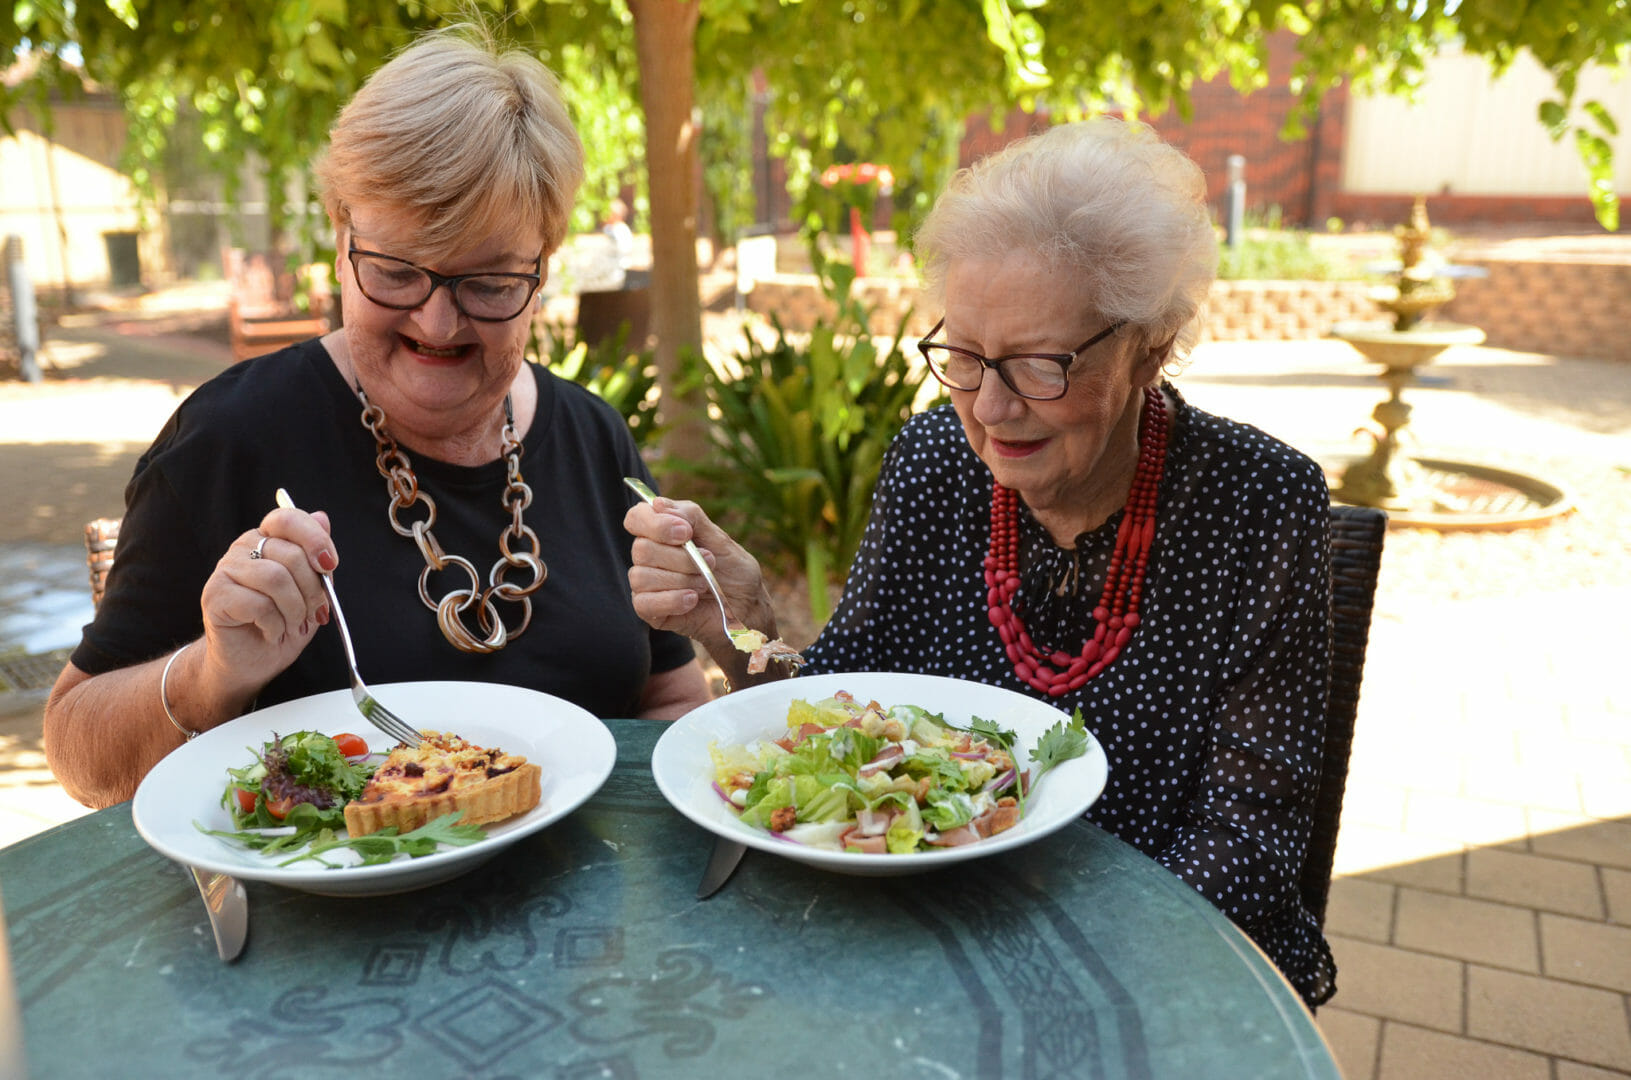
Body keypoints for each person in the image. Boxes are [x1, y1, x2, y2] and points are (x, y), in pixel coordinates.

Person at [624, 117, 1338, 1007]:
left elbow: (1250, 842)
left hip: (1154, 958)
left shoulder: (1258, 504)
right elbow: (843, 716)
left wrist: (1038, 974)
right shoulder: (934, 462)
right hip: (922, 930)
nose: (991, 409)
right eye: (962, 356)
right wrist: (744, 629)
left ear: (1148, 344)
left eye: (1040, 364)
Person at [44, 21, 710, 808]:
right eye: (395, 272)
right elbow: (78, 754)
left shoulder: (593, 438)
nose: (437, 324)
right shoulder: (231, 437)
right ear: (339, 240)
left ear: (544, 266)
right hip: (321, 919)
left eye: (490, 283)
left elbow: (669, 703)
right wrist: (209, 672)